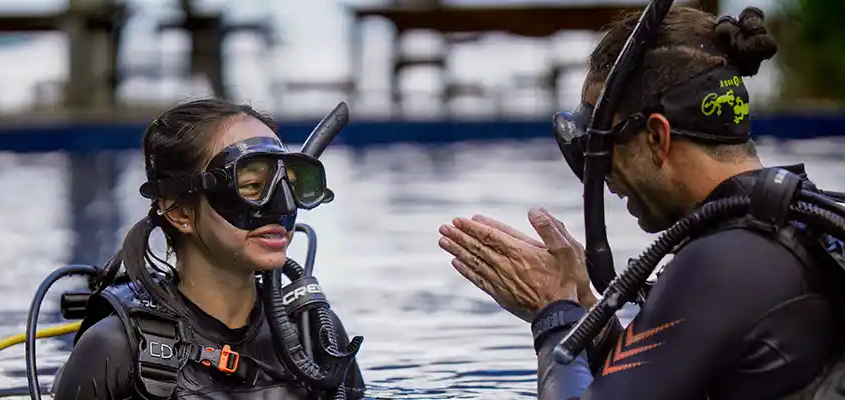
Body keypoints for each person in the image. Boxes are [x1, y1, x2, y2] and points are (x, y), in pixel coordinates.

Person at [438, 5, 845, 400]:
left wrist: (554, 316)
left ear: (656, 137)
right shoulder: (798, 228)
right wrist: (590, 320)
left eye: (602, 149)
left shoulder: (722, 263)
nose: (603, 178)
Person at [52, 98, 365, 400]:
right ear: (179, 211)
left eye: (289, 185)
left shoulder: (316, 336)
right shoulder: (115, 350)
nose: (283, 206)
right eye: (252, 186)